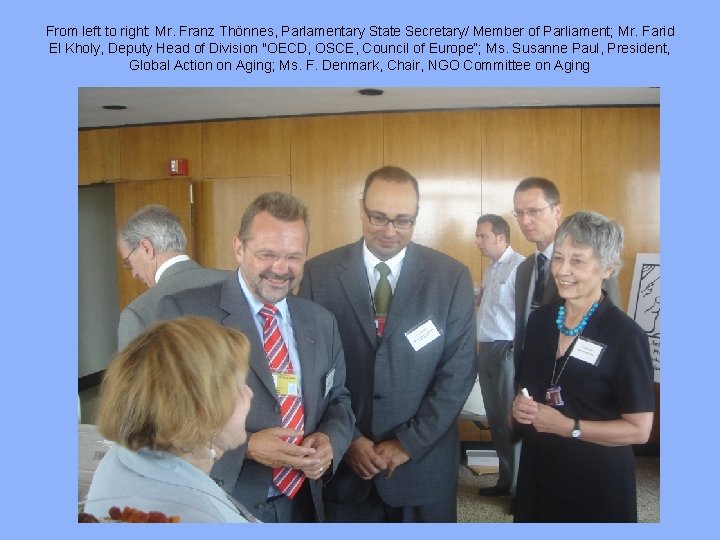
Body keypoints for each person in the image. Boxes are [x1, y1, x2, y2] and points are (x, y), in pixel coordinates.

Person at [157, 192, 354, 523]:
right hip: (224, 502)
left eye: (294, 257)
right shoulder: (186, 313)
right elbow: (162, 415)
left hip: (304, 504)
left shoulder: (321, 321)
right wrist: (245, 446)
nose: (280, 269)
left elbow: (338, 399)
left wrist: (331, 439)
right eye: (267, 254)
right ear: (239, 248)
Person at [298, 166, 477, 523]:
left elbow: (457, 372)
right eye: (378, 218)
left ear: (416, 217)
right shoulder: (319, 274)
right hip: (346, 470)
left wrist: (408, 443)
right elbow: (312, 368)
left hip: (422, 466)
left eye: (402, 221)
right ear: (360, 208)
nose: (390, 232)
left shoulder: (450, 277)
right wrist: (347, 438)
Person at [511, 211, 654, 522]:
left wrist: (569, 428)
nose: (562, 270)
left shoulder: (625, 336)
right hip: (539, 469)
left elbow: (639, 430)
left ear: (608, 268)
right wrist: (520, 406)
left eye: (577, 261)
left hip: (596, 479)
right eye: (559, 257)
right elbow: (527, 385)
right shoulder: (540, 321)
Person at [85, 317, 257, 522]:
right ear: (205, 414)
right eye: (239, 388)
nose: (250, 394)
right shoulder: (199, 516)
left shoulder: (122, 458)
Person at [512, 177, 620, 360]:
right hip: (528, 377)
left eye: (534, 211)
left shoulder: (593, 264)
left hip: (578, 375)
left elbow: (610, 327)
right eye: (519, 213)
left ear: (557, 210)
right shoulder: (523, 269)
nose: (525, 220)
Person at [116, 204, 229, 349]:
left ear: (146, 248)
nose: (134, 273)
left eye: (128, 262)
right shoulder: (238, 284)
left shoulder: (138, 314)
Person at [474, 214, 525, 499]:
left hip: (506, 350)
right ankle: (506, 481)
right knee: (495, 418)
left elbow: (532, 310)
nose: (478, 241)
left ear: (501, 237)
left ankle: (520, 490)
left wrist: (519, 347)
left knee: (510, 419)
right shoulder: (492, 269)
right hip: (486, 349)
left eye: (483, 236)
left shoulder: (520, 266)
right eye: (477, 235)